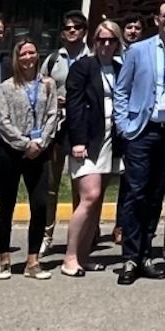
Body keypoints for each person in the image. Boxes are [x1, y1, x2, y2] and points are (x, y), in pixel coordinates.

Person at [111, 2, 165, 285]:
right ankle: (130, 257)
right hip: (141, 131)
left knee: (155, 195)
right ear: (157, 19)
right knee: (136, 192)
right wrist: (124, 126)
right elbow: (121, 90)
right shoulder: (138, 50)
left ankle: (146, 254)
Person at [0, 38, 61, 280]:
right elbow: (3, 121)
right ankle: (4, 258)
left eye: (32, 52)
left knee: (40, 204)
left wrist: (41, 142)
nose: (29, 57)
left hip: (40, 152)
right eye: (23, 53)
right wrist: (25, 143)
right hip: (11, 152)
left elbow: (53, 114)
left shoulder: (48, 85)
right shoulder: (7, 87)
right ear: (16, 57)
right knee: (7, 205)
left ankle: (33, 260)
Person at [61, 19, 122, 277]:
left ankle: (84, 256)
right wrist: (78, 140)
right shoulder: (83, 67)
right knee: (90, 196)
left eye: (111, 40)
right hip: (87, 140)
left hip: (111, 138)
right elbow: (74, 105)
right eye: (101, 40)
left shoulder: (120, 68)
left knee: (98, 201)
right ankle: (70, 257)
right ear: (94, 42)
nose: (106, 45)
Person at [37, 12, 90, 258]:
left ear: (84, 30)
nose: (72, 31)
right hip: (56, 127)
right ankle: (46, 234)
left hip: (82, 127)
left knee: (81, 183)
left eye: (77, 27)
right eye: (67, 28)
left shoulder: (93, 57)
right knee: (50, 183)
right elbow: (40, 89)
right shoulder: (52, 59)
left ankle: (80, 235)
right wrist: (52, 99)